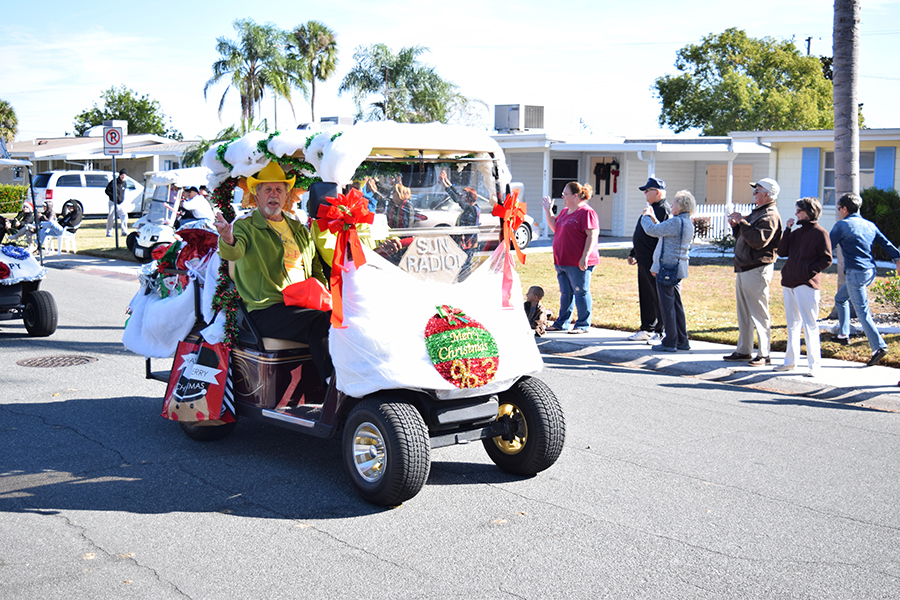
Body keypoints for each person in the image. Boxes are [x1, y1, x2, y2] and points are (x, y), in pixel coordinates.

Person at [214, 162, 333, 383]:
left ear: (286, 195)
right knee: (319, 321)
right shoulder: (245, 227)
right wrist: (227, 238)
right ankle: (332, 384)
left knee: (343, 318)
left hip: (301, 304)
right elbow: (234, 250)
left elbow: (316, 270)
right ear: (256, 195)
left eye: (279, 189)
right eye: (267, 189)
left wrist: (326, 297)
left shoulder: (298, 229)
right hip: (266, 307)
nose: (273, 195)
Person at [830, 192, 900, 367]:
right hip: (869, 271)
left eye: (839, 208)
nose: (839, 212)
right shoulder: (869, 225)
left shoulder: (842, 226)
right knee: (840, 298)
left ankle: (879, 346)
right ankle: (843, 334)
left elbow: (826, 247)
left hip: (855, 273)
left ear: (845, 208)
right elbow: (886, 244)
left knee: (862, 312)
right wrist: (898, 259)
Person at [723, 178, 783, 366]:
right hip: (745, 268)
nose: (754, 194)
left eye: (757, 191)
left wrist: (743, 223)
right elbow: (746, 237)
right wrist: (737, 227)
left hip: (757, 269)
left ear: (767, 194)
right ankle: (744, 350)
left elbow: (758, 241)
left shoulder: (770, 215)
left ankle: (764, 354)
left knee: (759, 313)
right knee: (744, 313)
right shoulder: (758, 213)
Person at [775, 197, 833, 376]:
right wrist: (787, 229)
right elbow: (782, 251)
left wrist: (809, 271)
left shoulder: (820, 233)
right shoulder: (797, 233)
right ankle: (790, 362)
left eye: (799, 211)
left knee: (810, 325)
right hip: (789, 283)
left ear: (808, 212)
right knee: (792, 324)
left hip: (806, 285)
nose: (795, 213)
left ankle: (814, 365)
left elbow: (827, 259)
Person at [640, 190, 696, 352]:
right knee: (676, 305)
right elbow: (662, 230)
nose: (671, 205)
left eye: (674, 203)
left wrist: (646, 216)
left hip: (667, 268)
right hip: (677, 269)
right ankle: (682, 340)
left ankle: (670, 341)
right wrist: (654, 219)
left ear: (681, 206)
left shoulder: (676, 222)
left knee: (667, 306)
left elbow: (651, 230)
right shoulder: (685, 222)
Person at [540, 182, 600, 334]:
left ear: (575, 195)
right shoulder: (565, 211)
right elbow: (555, 226)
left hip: (578, 262)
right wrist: (547, 210)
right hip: (562, 261)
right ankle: (562, 322)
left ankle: (582, 324)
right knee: (566, 293)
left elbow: (592, 235)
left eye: (565, 194)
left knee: (581, 291)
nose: (562, 197)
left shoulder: (586, 212)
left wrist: (585, 256)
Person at [627, 177, 671, 343]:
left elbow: (661, 235)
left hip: (654, 261)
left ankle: (661, 331)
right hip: (643, 259)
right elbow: (642, 232)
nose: (645, 193)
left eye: (647, 190)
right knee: (645, 295)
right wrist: (633, 253)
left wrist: (656, 261)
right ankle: (647, 328)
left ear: (657, 192)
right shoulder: (650, 208)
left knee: (657, 296)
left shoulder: (664, 210)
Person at [105, 169, 129, 237]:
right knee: (111, 217)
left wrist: (121, 199)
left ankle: (124, 231)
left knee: (124, 215)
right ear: (120, 175)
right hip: (113, 202)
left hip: (121, 203)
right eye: (122, 175)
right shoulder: (114, 182)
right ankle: (109, 232)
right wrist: (113, 197)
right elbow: (107, 191)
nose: (123, 177)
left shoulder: (124, 183)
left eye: (125, 175)